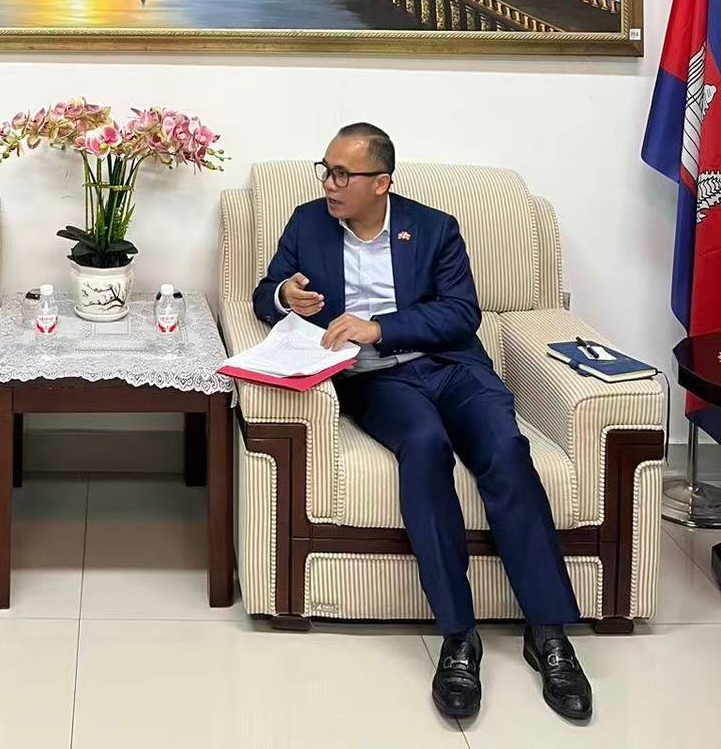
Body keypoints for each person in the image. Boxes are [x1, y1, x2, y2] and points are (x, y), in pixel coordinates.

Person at [252, 122, 593, 725]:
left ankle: (549, 633)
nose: (329, 184)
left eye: (343, 174)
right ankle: (459, 637)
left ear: (381, 183)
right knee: (425, 446)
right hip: (377, 381)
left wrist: (380, 326)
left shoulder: (434, 228)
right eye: (326, 170)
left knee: (506, 451)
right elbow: (262, 294)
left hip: (453, 368)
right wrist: (285, 296)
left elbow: (461, 314)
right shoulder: (307, 223)